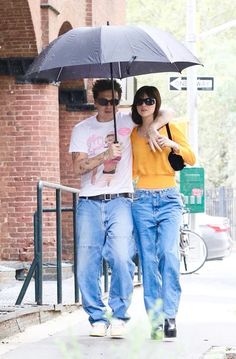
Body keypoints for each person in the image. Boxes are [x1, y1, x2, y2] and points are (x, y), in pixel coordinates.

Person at [69, 79, 169, 338]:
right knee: (86, 263)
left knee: (123, 257)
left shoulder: (128, 121)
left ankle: (119, 315)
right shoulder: (82, 129)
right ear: (95, 101)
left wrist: (155, 129)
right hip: (89, 201)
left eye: (114, 101)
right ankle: (97, 317)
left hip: (121, 200)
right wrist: (104, 155)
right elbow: (77, 168)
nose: (109, 106)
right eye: (103, 101)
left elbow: (167, 112)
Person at [131, 85, 196, 341]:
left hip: (169, 198)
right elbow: (131, 168)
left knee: (168, 255)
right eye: (139, 101)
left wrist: (172, 144)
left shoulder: (171, 127)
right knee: (148, 260)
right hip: (142, 199)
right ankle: (155, 321)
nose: (144, 105)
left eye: (149, 101)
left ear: (156, 103)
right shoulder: (134, 134)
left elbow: (191, 158)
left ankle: (170, 315)